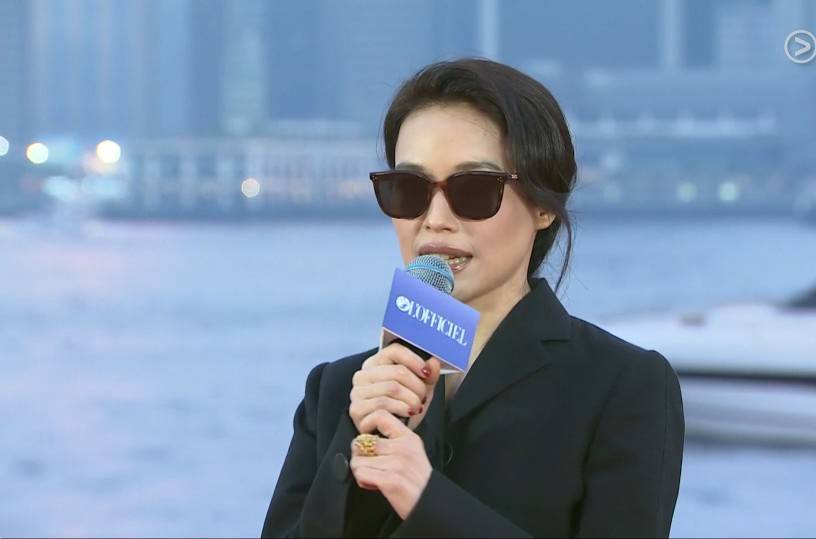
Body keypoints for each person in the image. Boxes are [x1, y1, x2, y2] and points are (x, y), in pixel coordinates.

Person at [261, 57, 684, 538]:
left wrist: (427, 499)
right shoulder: (338, 391)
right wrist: (357, 442)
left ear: (543, 205)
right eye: (409, 189)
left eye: (475, 189)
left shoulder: (621, 386)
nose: (435, 220)